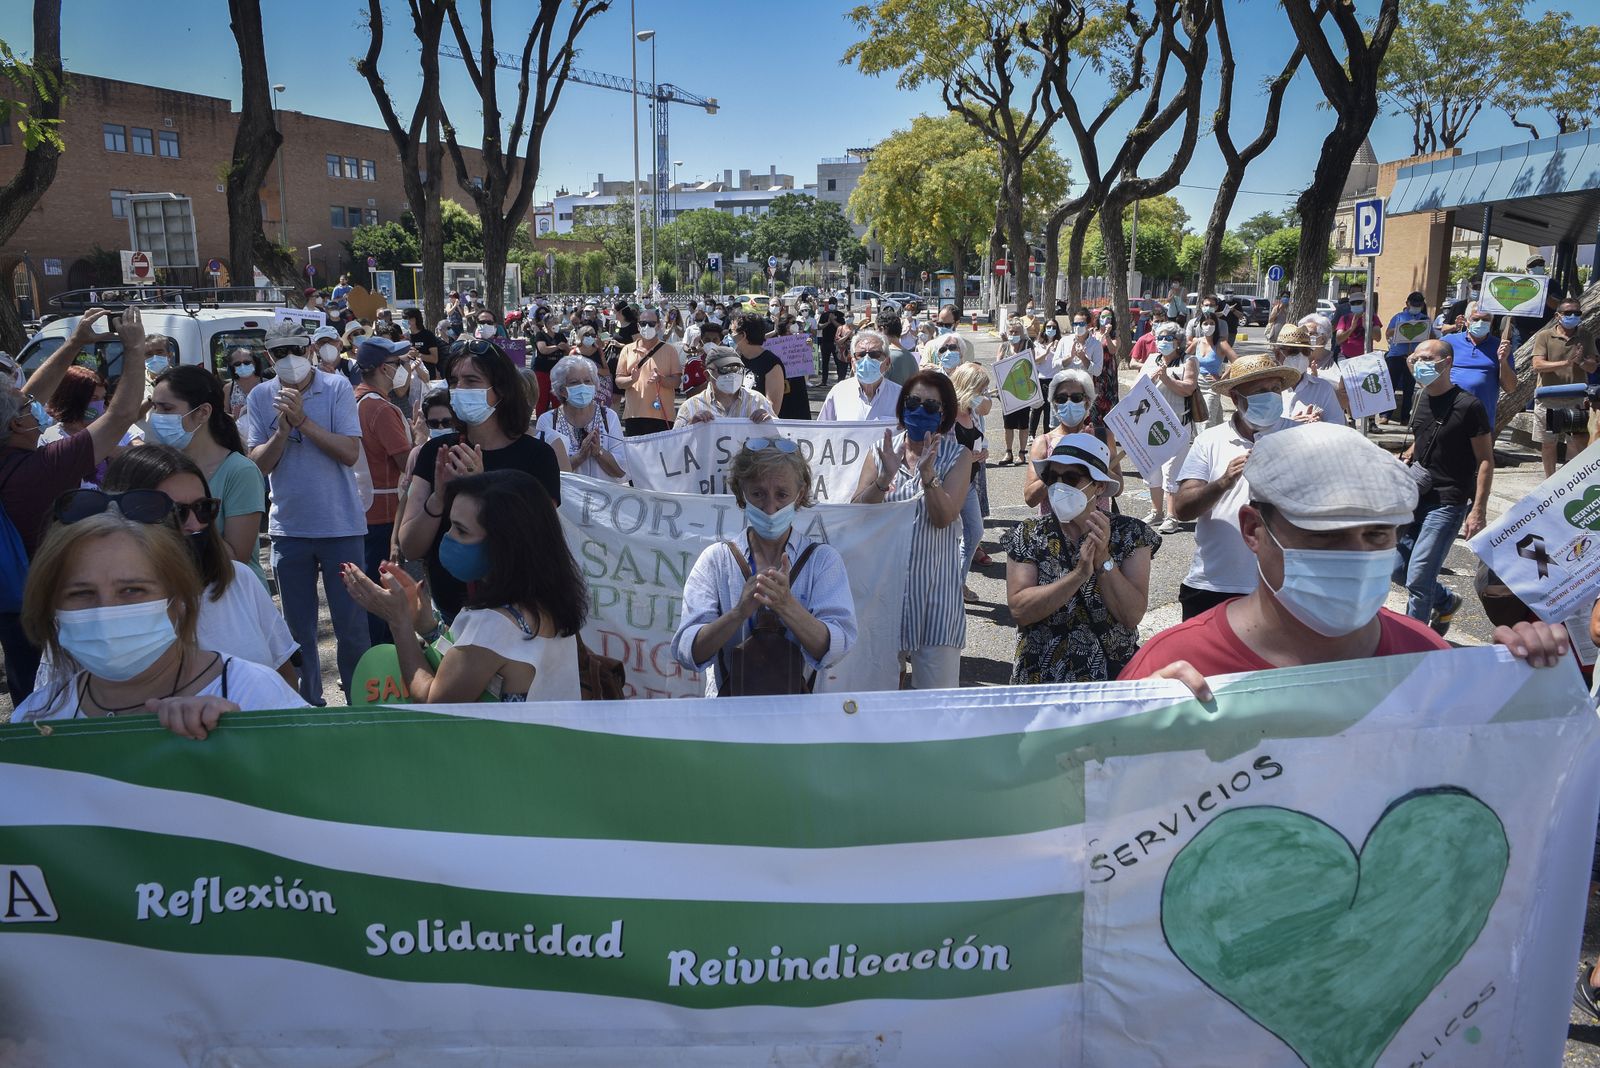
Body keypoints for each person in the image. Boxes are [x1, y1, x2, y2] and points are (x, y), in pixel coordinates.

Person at [1120, 421, 1569, 699]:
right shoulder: (1172, 666)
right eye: (1325, 535)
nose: (1356, 556)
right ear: (1254, 530)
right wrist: (1130, 730)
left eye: (1376, 534)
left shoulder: (1425, 655)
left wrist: (1512, 686)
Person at [12, 503, 304, 732]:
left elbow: (324, 790)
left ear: (179, 600)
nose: (105, 612)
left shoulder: (254, 694)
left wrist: (251, 740)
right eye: (80, 593)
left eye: (132, 589)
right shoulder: (36, 720)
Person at [0, 308, 148, 705]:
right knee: (68, 700)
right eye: (26, 412)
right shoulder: (39, 470)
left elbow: (28, 396)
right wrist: (134, 349)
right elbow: (120, 416)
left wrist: (74, 343)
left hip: (11, 604)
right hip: (50, 605)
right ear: (17, 426)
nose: (35, 411)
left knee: (27, 697)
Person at [346, 471, 585, 702]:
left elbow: (431, 698)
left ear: (504, 545)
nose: (447, 537)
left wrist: (399, 622)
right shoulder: (548, 598)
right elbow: (472, 660)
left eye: (461, 530)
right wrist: (427, 625)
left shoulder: (494, 624)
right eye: (450, 525)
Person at [95, 446, 297, 687]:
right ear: (124, 517)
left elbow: (285, 678)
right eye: (174, 512)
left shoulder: (238, 579)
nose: (194, 524)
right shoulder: (92, 610)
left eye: (203, 508)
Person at [246, 320, 371, 705]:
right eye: (280, 352)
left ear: (311, 350)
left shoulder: (336, 388)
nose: (289, 359)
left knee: (351, 626)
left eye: (296, 350)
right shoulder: (260, 396)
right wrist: (282, 431)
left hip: (341, 526)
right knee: (297, 631)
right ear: (269, 357)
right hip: (289, 530)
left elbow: (349, 453)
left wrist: (303, 421)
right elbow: (257, 467)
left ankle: (358, 701)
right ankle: (308, 703)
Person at [673, 438, 857, 696]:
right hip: (728, 716)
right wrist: (737, 613)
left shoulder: (822, 561)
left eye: (782, 494)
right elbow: (688, 652)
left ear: (800, 494)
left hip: (797, 717)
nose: (770, 508)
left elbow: (836, 648)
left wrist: (787, 605)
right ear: (741, 494)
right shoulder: (716, 561)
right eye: (758, 494)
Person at [397, 338, 561, 622]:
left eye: (472, 380)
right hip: (449, 610)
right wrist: (439, 497)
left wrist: (482, 490)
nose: (460, 389)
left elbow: (537, 545)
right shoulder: (436, 452)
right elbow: (410, 547)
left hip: (514, 613)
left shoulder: (537, 456)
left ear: (501, 390)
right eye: (454, 381)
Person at [852, 370, 974, 689]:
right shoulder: (883, 450)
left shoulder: (958, 456)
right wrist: (883, 480)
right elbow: (857, 512)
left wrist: (929, 476)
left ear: (945, 414)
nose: (920, 411)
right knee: (878, 695)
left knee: (935, 703)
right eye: (914, 402)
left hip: (936, 596)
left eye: (931, 407)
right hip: (883, 594)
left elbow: (944, 517)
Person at [1007, 434, 1158, 683]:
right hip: (1041, 676)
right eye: (1051, 478)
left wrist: (1103, 558)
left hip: (1107, 677)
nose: (1058, 486)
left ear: (1098, 486)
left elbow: (1131, 615)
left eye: (1071, 478)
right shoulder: (1029, 533)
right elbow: (1020, 609)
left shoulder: (1131, 535)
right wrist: (1078, 575)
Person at [1169, 354, 1300, 620]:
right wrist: (1223, 483)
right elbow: (1182, 508)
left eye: (1275, 389)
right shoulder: (1210, 440)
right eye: (1261, 391)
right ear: (1236, 397)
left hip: (1284, 588)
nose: (1272, 396)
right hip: (1213, 585)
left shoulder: (1301, 437)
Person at [1394, 339, 1492, 634]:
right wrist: (1408, 455)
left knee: (1419, 577)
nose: (1418, 363)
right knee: (1397, 569)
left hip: (1448, 502)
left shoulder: (1469, 405)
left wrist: (1478, 510)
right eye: (1415, 358)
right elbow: (1427, 437)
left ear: (1447, 362)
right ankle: (1446, 601)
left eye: (1426, 358)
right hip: (1417, 496)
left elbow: (1485, 459)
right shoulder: (1421, 398)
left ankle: (1414, 645)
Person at [150, 365, 270, 587]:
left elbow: (237, 557)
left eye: (166, 409)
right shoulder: (158, 467)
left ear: (203, 412)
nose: (156, 417)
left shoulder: (239, 471)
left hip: (230, 599)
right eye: (154, 407)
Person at [351, 337, 416, 644]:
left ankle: (370, 654)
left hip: (362, 509)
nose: (404, 368)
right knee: (385, 594)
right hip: (384, 514)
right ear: (383, 368)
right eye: (398, 363)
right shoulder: (380, 409)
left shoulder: (355, 400)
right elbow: (407, 463)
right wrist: (423, 441)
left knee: (368, 592)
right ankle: (384, 659)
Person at [1023, 367, 1124, 512]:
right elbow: (1030, 498)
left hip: (1095, 528)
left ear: (1088, 402)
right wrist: (1056, 467)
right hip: (1054, 528)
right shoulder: (1043, 442)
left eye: (1076, 398)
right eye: (1061, 399)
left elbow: (1118, 488)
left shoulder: (1102, 437)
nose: (1068, 403)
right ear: (1055, 404)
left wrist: (1092, 456)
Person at [1139, 324, 1199, 534]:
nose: (1163, 341)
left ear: (1178, 341)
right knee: (1152, 469)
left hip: (1177, 425)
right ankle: (1157, 512)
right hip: (1150, 424)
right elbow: (1139, 386)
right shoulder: (1151, 360)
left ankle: (1172, 516)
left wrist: (1166, 379)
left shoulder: (1188, 361)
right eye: (1160, 337)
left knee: (1171, 472)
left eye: (1168, 338)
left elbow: (1189, 388)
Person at [1530, 297, 1597, 477]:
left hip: (1575, 399)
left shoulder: (1585, 335)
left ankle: (1569, 479)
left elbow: (1592, 366)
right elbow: (1537, 365)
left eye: (1577, 313)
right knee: (1549, 443)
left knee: (1577, 441)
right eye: (1568, 313)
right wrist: (1566, 363)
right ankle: (1549, 480)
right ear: (1558, 315)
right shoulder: (1545, 336)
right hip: (1549, 399)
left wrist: (1581, 361)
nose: (1573, 316)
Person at [536, 353, 627, 481]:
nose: (583, 386)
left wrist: (598, 452)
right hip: (566, 499)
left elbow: (621, 471)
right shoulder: (548, 421)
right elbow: (545, 472)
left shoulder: (608, 417)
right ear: (562, 390)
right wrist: (580, 457)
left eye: (587, 381)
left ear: (595, 386)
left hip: (604, 498)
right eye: (574, 382)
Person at [40, 366, 128, 486]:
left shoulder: (107, 431)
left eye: (102, 398)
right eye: (93, 398)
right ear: (73, 399)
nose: (100, 404)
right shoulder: (50, 438)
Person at [950, 361, 994, 597]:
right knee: (943, 540)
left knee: (975, 532)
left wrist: (982, 453)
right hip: (947, 487)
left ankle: (958, 583)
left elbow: (977, 440)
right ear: (968, 387)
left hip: (968, 484)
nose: (983, 396)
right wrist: (967, 458)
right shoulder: (945, 416)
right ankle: (948, 587)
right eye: (981, 390)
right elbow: (939, 456)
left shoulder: (972, 410)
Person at [1443, 303, 1517, 426]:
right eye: (1476, 319)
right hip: (1447, 415)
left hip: (1481, 420)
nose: (1481, 323)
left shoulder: (1502, 347)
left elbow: (1510, 388)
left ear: (1492, 322)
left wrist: (1503, 361)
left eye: (1486, 319)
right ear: (1466, 321)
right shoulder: (1448, 342)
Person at [614, 306, 681, 435]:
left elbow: (677, 382)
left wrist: (661, 379)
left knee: (661, 454)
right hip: (634, 415)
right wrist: (631, 379)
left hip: (662, 415)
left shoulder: (670, 350)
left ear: (658, 325)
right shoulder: (627, 349)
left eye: (651, 324)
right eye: (643, 323)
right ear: (638, 326)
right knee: (635, 454)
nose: (647, 327)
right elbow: (618, 381)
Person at [674, 345, 775, 425]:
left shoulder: (758, 401)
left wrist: (770, 423)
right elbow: (675, 445)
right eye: (724, 370)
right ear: (707, 375)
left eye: (736, 368)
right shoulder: (690, 407)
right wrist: (691, 427)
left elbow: (779, 439)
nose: (731, 375)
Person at [818, 330, 902, 422]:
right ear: (852, 363)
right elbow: (822, 431)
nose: (867, 360)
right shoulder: (838, 392)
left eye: (874, 354)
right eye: (860, 355)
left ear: (887, 362)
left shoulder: (900, 396)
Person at [1271, 325, 1343, 425]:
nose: (1300, 356)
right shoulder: (1266, 388)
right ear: (1277, 354)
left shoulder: (1323, 388)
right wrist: (1290, 424)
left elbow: (1338, 425)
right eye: (1293, 351)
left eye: (1305, 351)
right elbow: (1258, 431)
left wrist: (1319, 425)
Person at [1382, 291, 1431, 425]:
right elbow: (1388, 333)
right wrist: (1403, 327)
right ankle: (1385, 415)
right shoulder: (1399, 317)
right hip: (1396, 356)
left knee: (1409, 389)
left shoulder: (1425, 319)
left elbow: (1431, 335)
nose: (1416, 306)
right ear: (1407, 303)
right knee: (1390, 387)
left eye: (1419, 304)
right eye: (1413, 303)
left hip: (1414, 358)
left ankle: (1405, 418)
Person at [729, 312, 787, 416]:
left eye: (732, 332)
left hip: (757, 429)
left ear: (743, 335)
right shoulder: (734, 359)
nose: (730, 336)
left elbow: (772, 409)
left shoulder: (771, 364)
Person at [1188, 307, 1236, 428]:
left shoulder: (1221, 343)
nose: (1208, 326)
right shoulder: (1197, 342)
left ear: (1216, 325)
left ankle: (1204, 445)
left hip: (1212, 387)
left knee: (1206, 422)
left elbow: (1237, 361)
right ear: (1200, 325)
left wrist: (1222, 378)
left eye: (1212, 323)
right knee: (1204, 420)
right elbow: (1185, 358)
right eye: (1205, 323)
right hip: (1196, 387)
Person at [998, 318, 1037, 465]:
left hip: (1023, 390)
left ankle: (1022, 453)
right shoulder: (1004, 346)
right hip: (1008, 392)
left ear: (1022, 333)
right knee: (1008, 424)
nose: (1013, 334)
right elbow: (999, 365)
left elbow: (1031, 365)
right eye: (1011, 331)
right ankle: (1008, 452)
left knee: (1023, 423)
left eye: (1016, 332)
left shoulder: (1028, 344)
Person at [530, 307, 570, 418]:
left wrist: (566, 348)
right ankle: (541, 423)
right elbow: (543, 349)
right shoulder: (540, 335)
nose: (557, 324)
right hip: (543, 372)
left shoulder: (560, 336)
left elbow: (568, 350)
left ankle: (558, 422)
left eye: (558, 322)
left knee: (558, 398)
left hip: (558, 372)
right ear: (547, 324)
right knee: (542, 399)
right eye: (554, 322)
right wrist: (557, 347)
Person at [1028, 316, 1063, 440]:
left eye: (1054, 327)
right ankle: (1031, 434)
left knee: (1050, 409)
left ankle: (1047, 434)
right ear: (1044, 329)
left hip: (1054, 379)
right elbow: (1035, 361)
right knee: (1037, 408)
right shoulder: (1038, 344)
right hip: (1040, 379)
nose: (1051, 329)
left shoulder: (1060, 343)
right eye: (1048, 327)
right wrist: (1047, 352)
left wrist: (1058, 347)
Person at [226, 345, 266, 420]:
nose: (242, 366)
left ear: (255, 363)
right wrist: (234, 417)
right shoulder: (228, 388)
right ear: (232, 367)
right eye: (237, 364)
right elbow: (224, 415)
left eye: (247, 362)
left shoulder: (267, 384)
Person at [1334, 291, 1378, 359]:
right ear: (1350, 304)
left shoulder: (1372, 317)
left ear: (1365, 303)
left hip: (1365, 357)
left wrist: (1367, 327)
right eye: (1353, 303)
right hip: (1346, 358)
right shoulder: (1344, 318)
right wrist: (1351, 328)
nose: (1356, 304)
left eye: (1359, 302)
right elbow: (1338, 339)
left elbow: (1378, 338)